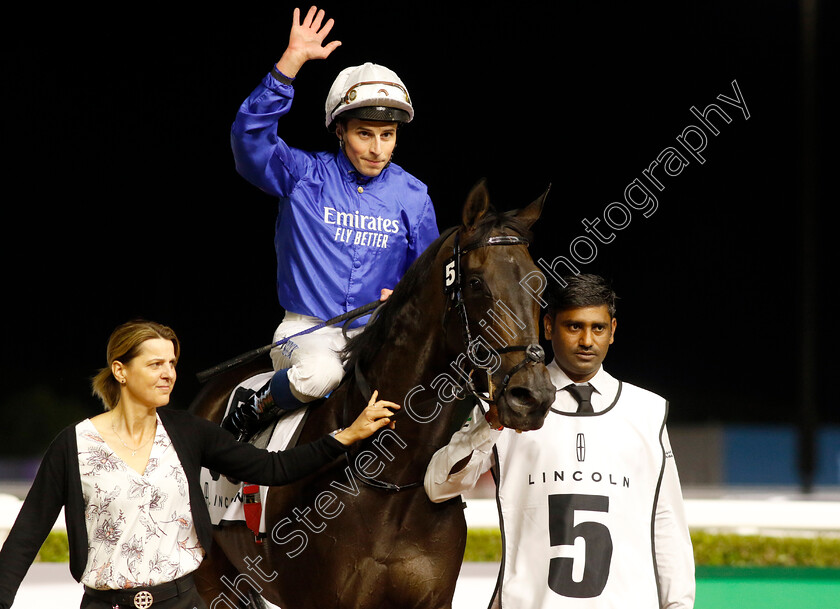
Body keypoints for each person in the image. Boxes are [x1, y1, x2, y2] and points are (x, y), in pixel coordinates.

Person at [0, 320, 399, 609]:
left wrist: (345, 435)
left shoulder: (190, 432)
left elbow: (272, 469)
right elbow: (25, 537)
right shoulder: (73, 445)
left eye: (172, 364)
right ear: (120, 371)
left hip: (182, 602)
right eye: (155, 364)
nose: (168, 374)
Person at [224, 5, 439, 441]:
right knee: (320, 373)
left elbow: (429, 278)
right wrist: (290, 65)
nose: (378, 148)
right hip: (307, 332)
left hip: (379, 337)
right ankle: (253, 408)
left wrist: (406, 295)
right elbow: (248, 140)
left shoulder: (414, 196)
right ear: (338, 130)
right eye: (365, 133)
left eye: (388, 135)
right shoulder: (302, 175)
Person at [424, 274, 695, 608]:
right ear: (548, 327)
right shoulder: (505, 406)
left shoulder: (648, 411)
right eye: (574, 327)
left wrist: (678, 604)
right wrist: (492, 422)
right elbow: (439, 486)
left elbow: (666, 524)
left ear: (613, 330)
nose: (587, 340)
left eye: (597, 328)